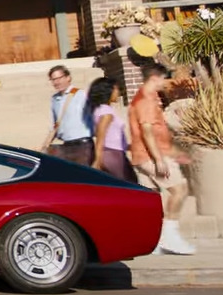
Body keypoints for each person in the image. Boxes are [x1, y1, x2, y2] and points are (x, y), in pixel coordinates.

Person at [130, 64, 195, 255]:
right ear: (154, 78)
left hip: (145, 155)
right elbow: (147, 131)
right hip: (151, 156)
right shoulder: (146, 101)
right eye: (163, 79)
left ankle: (153, 240)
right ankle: (170, 238)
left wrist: (173, 152)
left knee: (152, 198)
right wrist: (159, 159)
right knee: (179, 190)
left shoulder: (145, 98)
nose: (164, 83)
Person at [82, 77, 133, 182]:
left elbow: (112, 135)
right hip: (113, 154)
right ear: (108, 91)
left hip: (114, 152)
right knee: (127, 186)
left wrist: (129, 146)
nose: (118, 92)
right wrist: (97, 161)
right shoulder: (106, 113)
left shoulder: (101, 110)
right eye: (116, 89)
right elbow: (101, 138)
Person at [41, 65, 95, 163]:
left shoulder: (81, 94)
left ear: (68, 77)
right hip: (66, 145)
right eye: (53, 80)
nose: (56, 82)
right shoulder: (55, 99)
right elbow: (55, 125)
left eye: (59, 78)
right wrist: (45, 146)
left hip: (83, 144)